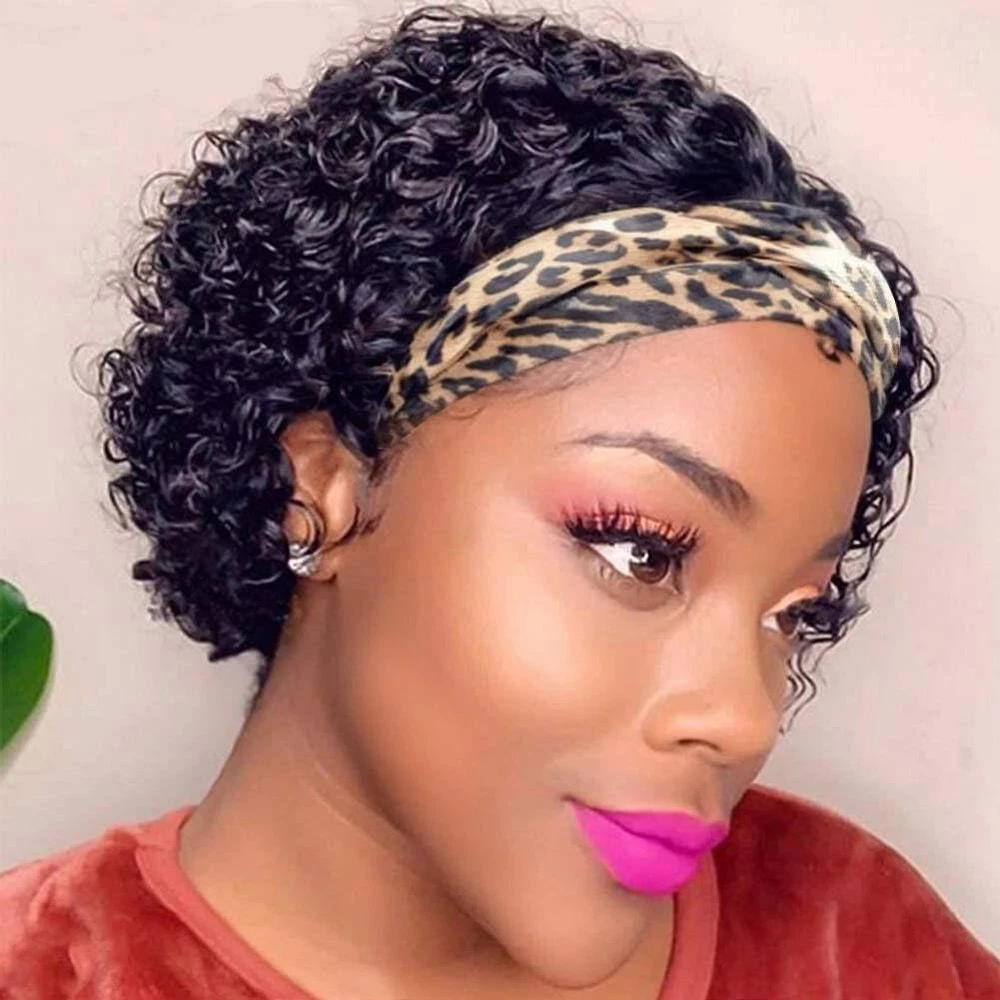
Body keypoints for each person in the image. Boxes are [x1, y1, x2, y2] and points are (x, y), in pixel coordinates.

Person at [2, 7, 997, 999]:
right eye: (640, 552)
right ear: (321, 486)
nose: (742, 718)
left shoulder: (861, 942)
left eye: (795, 613)